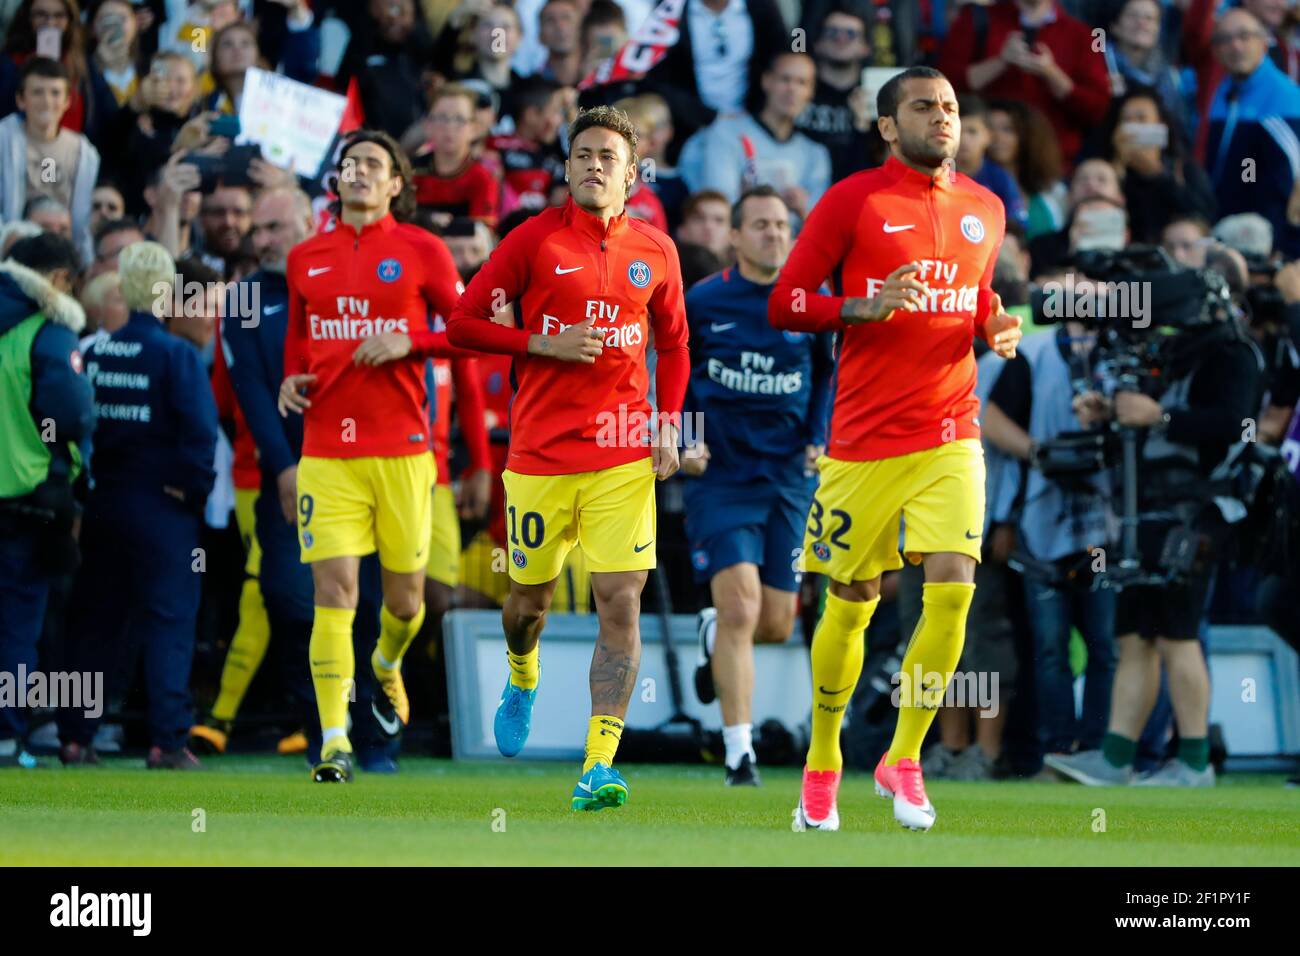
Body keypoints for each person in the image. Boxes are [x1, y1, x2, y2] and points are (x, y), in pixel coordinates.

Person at [769, 66, 1021, 831]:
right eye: (923, 106)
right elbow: (786, 302)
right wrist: (861, 305)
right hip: (863, 440)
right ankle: (822, 760)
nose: (942, 117)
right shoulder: (854, 200)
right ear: (887, 126)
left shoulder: (986, 207)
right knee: (852, 602)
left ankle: (904, 757)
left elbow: (976, 300)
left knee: (953, 584)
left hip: (952, 430)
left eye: (949, 106)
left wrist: (994, 327)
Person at [447, 104, 689, 811]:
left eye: (606, 157)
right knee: (529, 604)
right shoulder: (532, 241)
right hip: (541, 457)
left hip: (621, 455)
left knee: (621, 600)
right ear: (565, 167)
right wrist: (538, 344)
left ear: (632, 174)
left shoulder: (657, 249)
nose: (592, 166)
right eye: (581, 154)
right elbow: (462, 323)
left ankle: (597, 763)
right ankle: (523, 674)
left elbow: (673, 344)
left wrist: (668, 423)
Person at [277, 130, 469, 783]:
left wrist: (411, 340)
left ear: (395, 184)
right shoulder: (305, 256)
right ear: (337, 179)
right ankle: (333, 740)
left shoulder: (422, 250)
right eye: (350, 164)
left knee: (408, 602)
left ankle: (386, 664)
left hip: (403, 453)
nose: (359, 172)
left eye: (373, 165)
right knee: (333, 594)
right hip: (327, 451)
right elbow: (300, 342)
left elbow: (470, 332)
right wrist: (290, 379)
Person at [1047, 287, 1264, 787]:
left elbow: (1242, 426)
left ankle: (1193, 763)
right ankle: (1116, 758)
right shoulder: (1167, 353)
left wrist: (1159, 415)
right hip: (1143, 510)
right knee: (1135, 635)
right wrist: (1113, 416)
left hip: (1199, 510)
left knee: (1178, 634)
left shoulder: (1235, 352)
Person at [682, 186, 833, 785]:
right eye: (761, 225)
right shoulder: (704, 301)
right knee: (743, 606)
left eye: (782, 225)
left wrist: (821, 434)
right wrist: (684, 435)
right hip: (720, 476)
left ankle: (714, 634)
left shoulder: (811, 302)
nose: (774, 234)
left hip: (790, 477)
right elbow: (672, 371)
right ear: (735, 237)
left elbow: (828, 374)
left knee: (775, 623)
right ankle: (739, 752)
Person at [58, 240, 219, 768]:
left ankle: (76, 737)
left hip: (105, 505)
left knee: (95, 622)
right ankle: (167, 741)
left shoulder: (97, 352)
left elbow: (77, 429)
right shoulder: (177, 355)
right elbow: (200, 435)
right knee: (170, 620)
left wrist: (87, 492)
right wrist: (188, 490)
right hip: (163, 510)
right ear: (167, 289)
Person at [0, 232, 94, 768]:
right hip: (29, 498)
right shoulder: (49, 333)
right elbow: (73, 413)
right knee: (18, 623)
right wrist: (67, 464)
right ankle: (9, 735)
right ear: (60, 280)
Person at [939, 0, 1109, 168]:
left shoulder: (1082, 34)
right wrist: (1001, 61)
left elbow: (1097, 107)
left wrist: (1052, 73)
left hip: (1054, 164)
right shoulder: (974, 19)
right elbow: (944, 87)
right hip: (983, 161)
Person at [677, 53, 832, 223]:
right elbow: (717, 213)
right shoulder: (725, 133)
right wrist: (747, 202)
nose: (792, 89)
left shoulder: (816, 154)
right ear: (766, 81)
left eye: (802, 82)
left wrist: (803, 208)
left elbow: (820, 230)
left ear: (811, 91)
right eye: (785, 79)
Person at [1204, 7, 1300, 258]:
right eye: (1225, 39)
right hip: (1223, 233)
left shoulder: (1284, 96)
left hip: (1265, 244)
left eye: (1244, 36)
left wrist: (1280, 242)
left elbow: (1286, 184)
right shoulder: (1223, 93)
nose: (1235, 46)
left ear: (1263, 43)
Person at [0, 57, 101, 264]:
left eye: (55, 93)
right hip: (12, 249)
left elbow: (81, 223)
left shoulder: (84, 152)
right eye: (37, 92)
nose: (46, 101)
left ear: (67, 101)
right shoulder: (3, 139)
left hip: (62, 253)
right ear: (21, 100)